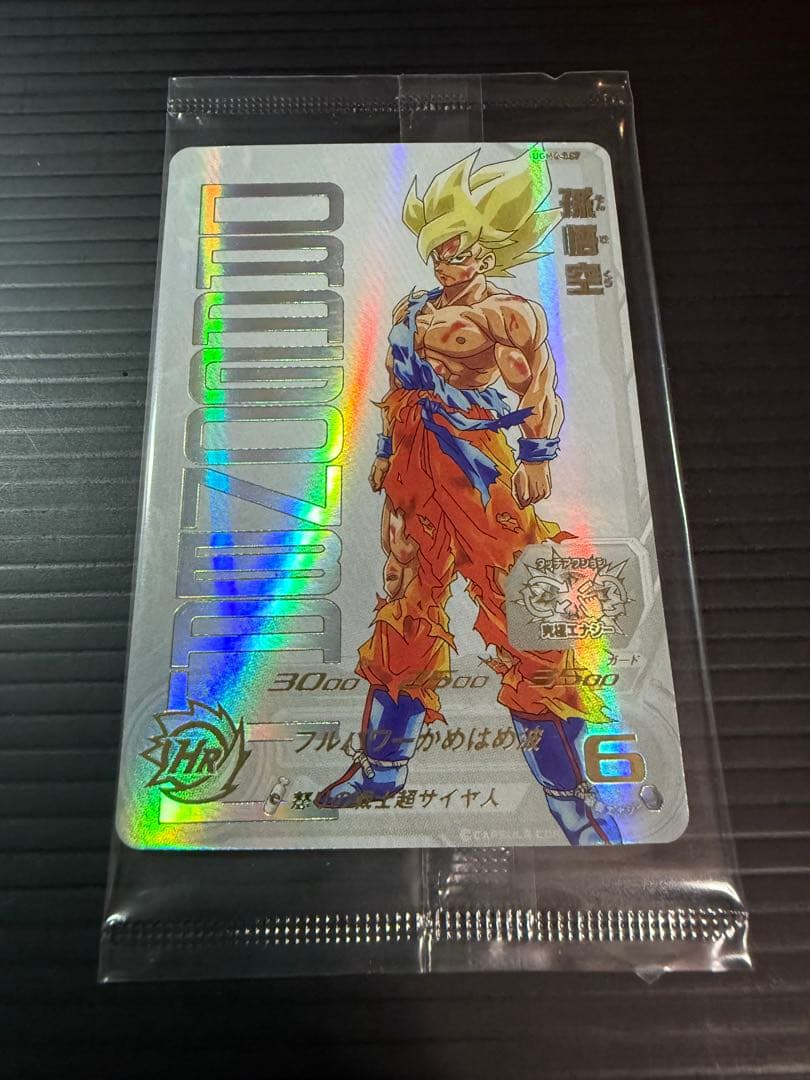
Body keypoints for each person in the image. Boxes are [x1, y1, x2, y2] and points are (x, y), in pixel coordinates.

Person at [317, 147, 621, 845]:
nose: (445, 257)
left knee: (523, 612)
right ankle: (382, 769)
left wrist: (537, 456)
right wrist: (386, 452)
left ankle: (572, 798)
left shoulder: (509, 315)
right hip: (414, 465)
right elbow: (398, 386)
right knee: (406, 605)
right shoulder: (411, 308)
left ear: (486, 247)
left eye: (458, 244)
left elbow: (538, 387)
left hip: (480, 466)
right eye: (437, 245)